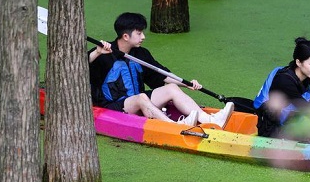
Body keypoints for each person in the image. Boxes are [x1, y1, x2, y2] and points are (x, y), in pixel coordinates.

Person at [89, 12, 234, 128]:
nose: (143, 37)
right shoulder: (102, 54)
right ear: (126, 36)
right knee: (142, 97)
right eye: (139, 33)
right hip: (113, 108)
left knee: (171, 88)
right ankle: (174, 126)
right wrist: (97, 53)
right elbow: (82, 70)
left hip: (140, 102)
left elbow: (162, 75)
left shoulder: (141, 53)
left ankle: (211, 120)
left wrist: (188, 84)